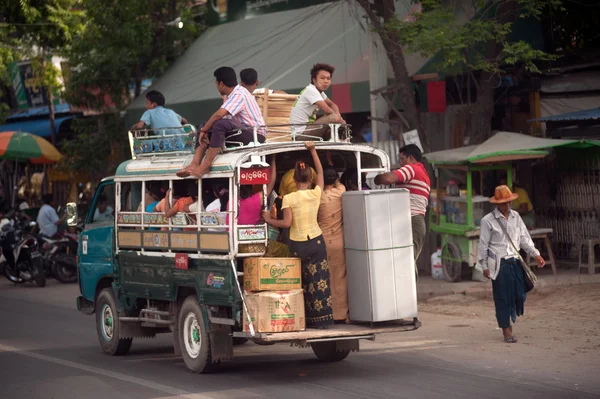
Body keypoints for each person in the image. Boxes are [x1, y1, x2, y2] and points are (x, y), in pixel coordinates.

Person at [263, 142, 334, 329]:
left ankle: (303, 319)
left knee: (300, 284)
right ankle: (323, 321)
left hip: (298, 244)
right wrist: (313, 151)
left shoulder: (289, 198)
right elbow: (320, 173)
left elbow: (286, 224)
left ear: (293, 180)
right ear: (310, 179)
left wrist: (268, 220)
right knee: (319, 282)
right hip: (317, 242)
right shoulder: (315, 193)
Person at [478, 185, 545, 343]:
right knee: (502, 297)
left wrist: (536, 254)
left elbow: (524, 238)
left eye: (509, 202)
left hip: (515, 261)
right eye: (503, 203)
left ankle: (509, 319)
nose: (507, 206)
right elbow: (483, 245)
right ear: (497, 204)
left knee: (519, 295)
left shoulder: (516, 217)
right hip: (499, 265)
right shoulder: (487, 221)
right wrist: (484, 267)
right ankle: (506, 329)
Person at [177, 67, 266, 178]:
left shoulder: (239, 94)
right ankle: (194, 164)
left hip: (255, 134)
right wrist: (205, 128)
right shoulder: (232, 95)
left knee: (218, 124)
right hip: (242, 130)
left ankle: (206, 164)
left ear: (221, 83)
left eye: (216, 83)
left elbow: (219, 115)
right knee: (206, 124)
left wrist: (204, 131)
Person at [374, 144, 430, 262]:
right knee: (408, 262)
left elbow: (388, 179)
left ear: (411, 158)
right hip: (416, 221)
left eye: (402, 159)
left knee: (406, 262)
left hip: (412, 220)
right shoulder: (424, 174)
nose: (400, 163)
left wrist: (377, 178)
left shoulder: (412, 168)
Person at [317, 152, 349, 323]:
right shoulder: (341, 192)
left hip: (323, 242)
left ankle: (326, 313)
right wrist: (330, 163)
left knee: (325, 278)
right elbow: (338, 181)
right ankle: (342, 314)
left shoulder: (318, 196)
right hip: (339, 241)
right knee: (340, 278)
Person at [289, 63, 345, 140]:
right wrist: (339, 119)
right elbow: (328, 111)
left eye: (328, 79)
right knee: (333, 117)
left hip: (307, 130)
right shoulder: (311, 90)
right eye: (322, 78)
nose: (326, 81)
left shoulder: (319, 92)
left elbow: (333, 104)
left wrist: (338, 116)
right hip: (301, 135)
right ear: (314, 80)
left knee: (335, 119)